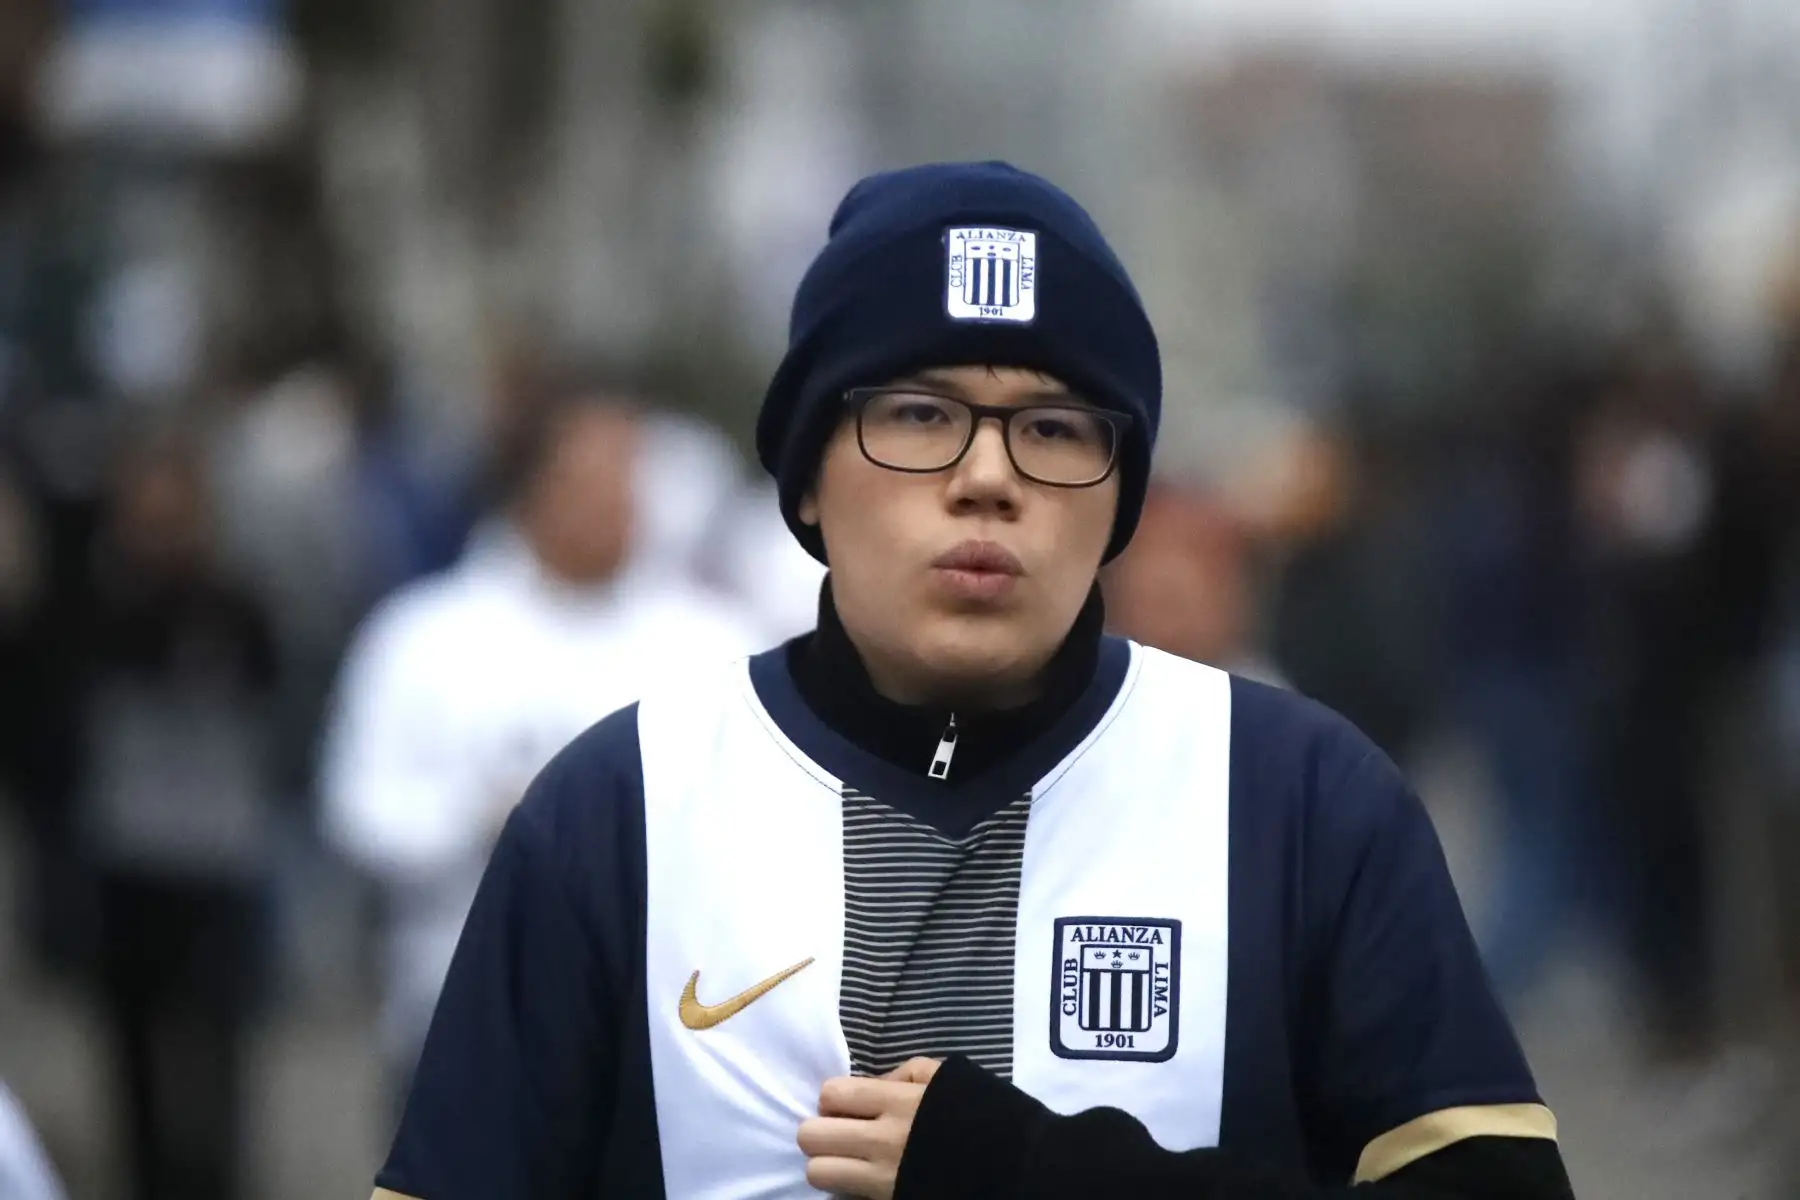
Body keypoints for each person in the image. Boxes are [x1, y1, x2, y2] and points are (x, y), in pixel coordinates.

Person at [372, 162, 1573, 1199]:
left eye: (1054, 428)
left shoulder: (1301, 801)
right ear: (805, 483)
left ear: (1120, 501)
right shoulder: (620, 810)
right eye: (917, 411)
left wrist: (1047, 1178)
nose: (987, 477)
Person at [322, 389, 765, 1112]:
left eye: (630, 480)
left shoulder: (715, 644)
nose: (618, 503)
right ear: (530, 492)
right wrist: (483, 818)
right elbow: (358, 809)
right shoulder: (425, 637)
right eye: (591, 482)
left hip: (662, 1040)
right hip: (462, 1022)